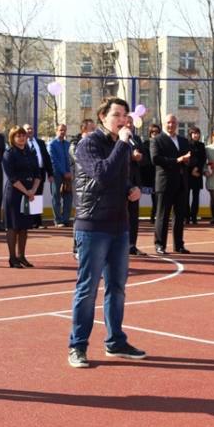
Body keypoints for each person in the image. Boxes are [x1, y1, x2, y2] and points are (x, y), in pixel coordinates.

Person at [68, 97, 146, 368]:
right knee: (88, 288)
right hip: (93, 225)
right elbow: (101, 173)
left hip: (118, 224)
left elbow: (117, 178)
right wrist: (123, 144)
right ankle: (77, 346)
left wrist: (130, 189)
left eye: (125, 115)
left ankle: (116, 341)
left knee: (117, 287)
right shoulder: (88, 143)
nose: (123, 120)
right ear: (103, 117)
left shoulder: (120, 145)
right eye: (117, 115)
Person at [151, 113, 191, 254]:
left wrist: (187, 161)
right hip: (165, 183)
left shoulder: (184, 140)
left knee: (179, 216)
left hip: (181, 183)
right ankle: (159, 244)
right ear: (164, 124)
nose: (171, 125)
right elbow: (155, 159)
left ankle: (179, 245)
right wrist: (177, 160)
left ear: (177, 124)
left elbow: (190, 159)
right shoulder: (157, 140)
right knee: (163, 215)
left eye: (173, 122)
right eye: (168, 122)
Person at [3, 126, 41, 268]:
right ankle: (12, 258)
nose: (21, 138)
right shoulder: (9, 153)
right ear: (12, 138)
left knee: (25, 226)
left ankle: (22, 257)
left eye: (23, 135)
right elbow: (12, 177)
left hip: (30, 193)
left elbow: (38, 173)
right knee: (13, 226)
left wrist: (33, 190)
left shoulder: (30, 152)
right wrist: (27, 191)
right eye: (18, 136)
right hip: (14, 193)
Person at [69, 119, 95, 258]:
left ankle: (89, 246)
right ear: (83, 130)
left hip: (93, 185)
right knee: (80, 215)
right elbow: (80, 159)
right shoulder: (75, 144)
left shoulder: (95, 143)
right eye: (91, 129)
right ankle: (77, 247)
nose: (94, 131)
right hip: (79, 185)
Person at [23, 123, 53, 229]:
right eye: (27, 129)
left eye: (31, 128)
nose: (29, 131)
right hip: (28, 173)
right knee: (29, 196)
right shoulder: (22, 143)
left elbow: (47, 158)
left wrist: (50, 173)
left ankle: (37, 222)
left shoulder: (40, 142)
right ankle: (28, 221)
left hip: (40, 173)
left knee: (38, 197)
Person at [125, 115, 146, 255]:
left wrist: (140, 157)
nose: (130, 125)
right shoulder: (117, 139)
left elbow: (146, 159)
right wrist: (130, 156)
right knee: (121, 215)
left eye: (131, 123)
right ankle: (120, 246)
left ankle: (132, 245)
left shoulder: (136, 139)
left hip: (135, 183)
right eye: (127, 122)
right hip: (121, 182)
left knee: (133, 216)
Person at [48, 124, 72, 227]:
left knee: (68, 197)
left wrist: (69, 172)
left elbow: (68, 159)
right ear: (56, 131)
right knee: (56, 197)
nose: (62, 132)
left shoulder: (67, 144)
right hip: (56, 174)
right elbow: (53, 161)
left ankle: (66, 219)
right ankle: (58, 220)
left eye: (64, 130)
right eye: (61, 130)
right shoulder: (52, 144)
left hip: (67, 175)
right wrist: (64, 172)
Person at [186, 126, 207, 225]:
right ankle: (186, 217)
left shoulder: (202, 145)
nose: (196, 135)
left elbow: (203, 159)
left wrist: (197, 168)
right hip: (187, 174)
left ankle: (194, 217)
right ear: (190, 134)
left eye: (198, 133)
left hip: (197, 173)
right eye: (194, 133)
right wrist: (191, 170)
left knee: (196, 196)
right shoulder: (186, 144)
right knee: (185, 196)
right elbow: (186, 158)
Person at [142, 124, 161, 224]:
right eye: (153, 132)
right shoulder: (145, 144)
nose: (155, 134)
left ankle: (154, 216)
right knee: (153, 196)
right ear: (150, 133)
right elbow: (145, 160)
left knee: (157, 198)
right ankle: (153, 217)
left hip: (159, 173)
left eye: (157, 132)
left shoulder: (161, 144)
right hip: (149, 174)